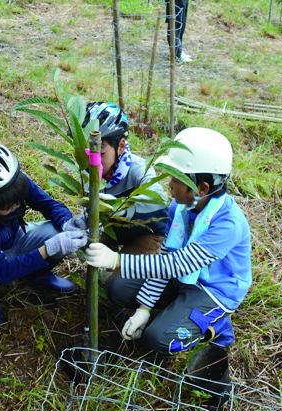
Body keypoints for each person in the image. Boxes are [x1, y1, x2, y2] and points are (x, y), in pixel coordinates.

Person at [86, 127, 251, 389]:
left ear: (202, 188)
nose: (169, 186)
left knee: (158, 340)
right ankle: (175, 304)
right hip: (180, 276)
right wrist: (143, 309)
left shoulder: (228, 224)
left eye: (175, 180)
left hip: (212, 290)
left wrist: (117, 261)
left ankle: (216, 325)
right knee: (117, 288)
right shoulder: (181, 206)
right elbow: (167, 255)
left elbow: (179, 264)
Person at [0, 142, 88, 329]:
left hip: (16, 239)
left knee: (58, 232)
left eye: (18, 202)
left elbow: (49, 205)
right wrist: (47, 250)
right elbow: (0, 270)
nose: (16, 206)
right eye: (8, 207)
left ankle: (37, 274)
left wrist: (66, 223)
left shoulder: (12, 186)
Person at [83, 102, 169, 258]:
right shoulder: (88, 169)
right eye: (88, 152)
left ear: (121, 146)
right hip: (116, 233)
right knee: (82, 242)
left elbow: (159, 199)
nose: (92, 160)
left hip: (147, 234)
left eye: (100, 152)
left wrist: (123, 207)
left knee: (118, 283)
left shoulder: (138, 169)